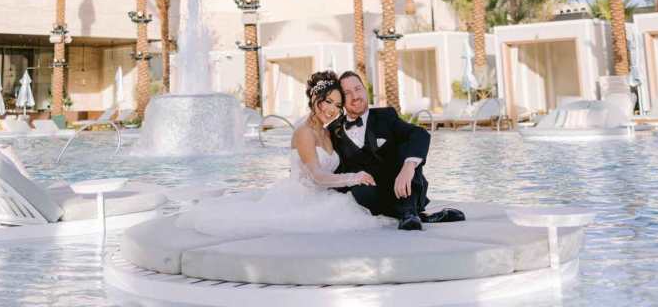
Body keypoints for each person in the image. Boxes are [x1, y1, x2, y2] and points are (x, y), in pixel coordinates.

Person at [174, 71, 385, 238]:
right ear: (315, 98)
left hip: (324, 196)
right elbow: (317, 176)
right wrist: (354, 177)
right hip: (299, 199)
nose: (332, 109)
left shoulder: (329, 132)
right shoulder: (304, 133)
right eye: (327, 101)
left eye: (338, 105)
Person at [328, 71, 465, 231]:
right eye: (347, 93)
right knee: (359, 188)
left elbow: (419, 133)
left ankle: (409, 212)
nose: (355, 96)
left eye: (358, 89)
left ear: (365, 91)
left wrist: (408, 166)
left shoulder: (386, 116)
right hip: (369, 197)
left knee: (407, 147)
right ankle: (415, 216)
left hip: (403, 187)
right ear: (341, 100)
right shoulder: (333, 131)